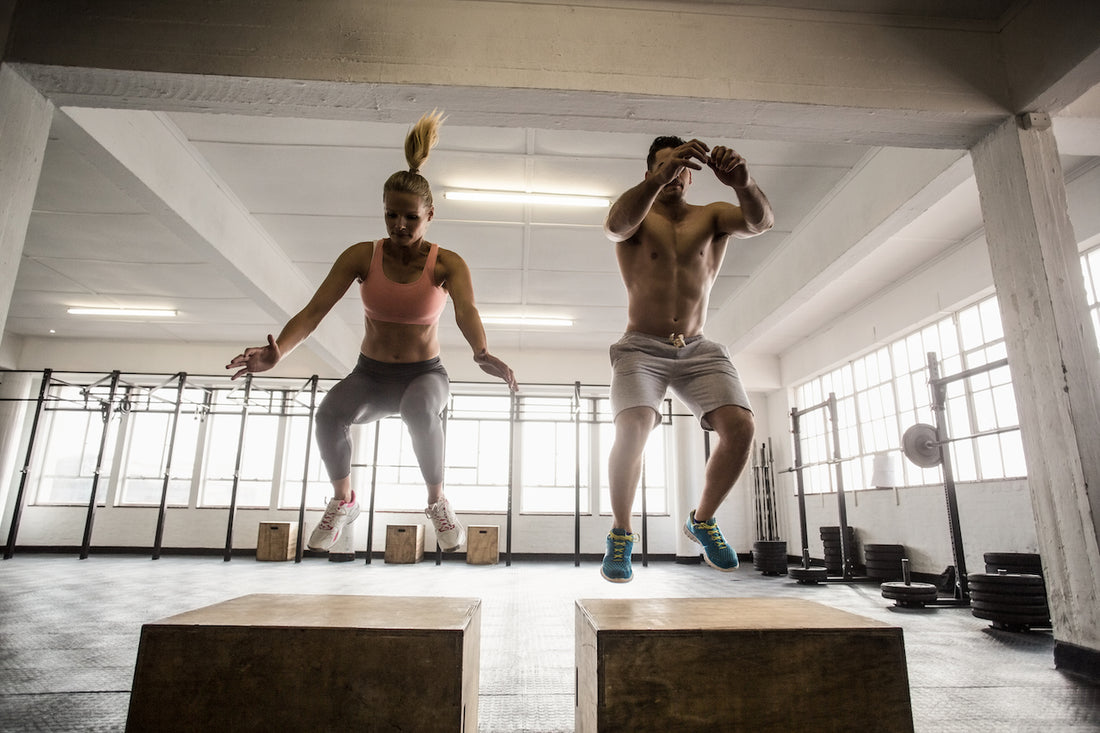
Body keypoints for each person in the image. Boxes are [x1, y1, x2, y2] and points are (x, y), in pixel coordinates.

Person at [226, 110, 517, 554]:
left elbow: (466, 310)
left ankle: (437, 503)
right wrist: (278, 353)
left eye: (410, 218)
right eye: (391, 216)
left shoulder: (446, 263)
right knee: (327, 415)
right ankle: (344, 500)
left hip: (425, 375)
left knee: (420, 410)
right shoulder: (362, 255)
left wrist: (480, 351)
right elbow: (314, 310)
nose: (400, 226)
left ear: (430, 214)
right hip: (371, 375)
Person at [600, 136, 774, 582]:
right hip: (641, 346)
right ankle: (621, 534)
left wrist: (744, 182)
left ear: (692, 175)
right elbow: (615, 227)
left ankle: (702, 520)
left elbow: (761, 222)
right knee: (634, 424)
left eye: (680, 167)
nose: (673, 173)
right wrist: (657, 181)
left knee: (743, 426)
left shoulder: (711, 216)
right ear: (649, 173)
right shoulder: (637, 213)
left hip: (697, 346)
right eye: (663, 166)